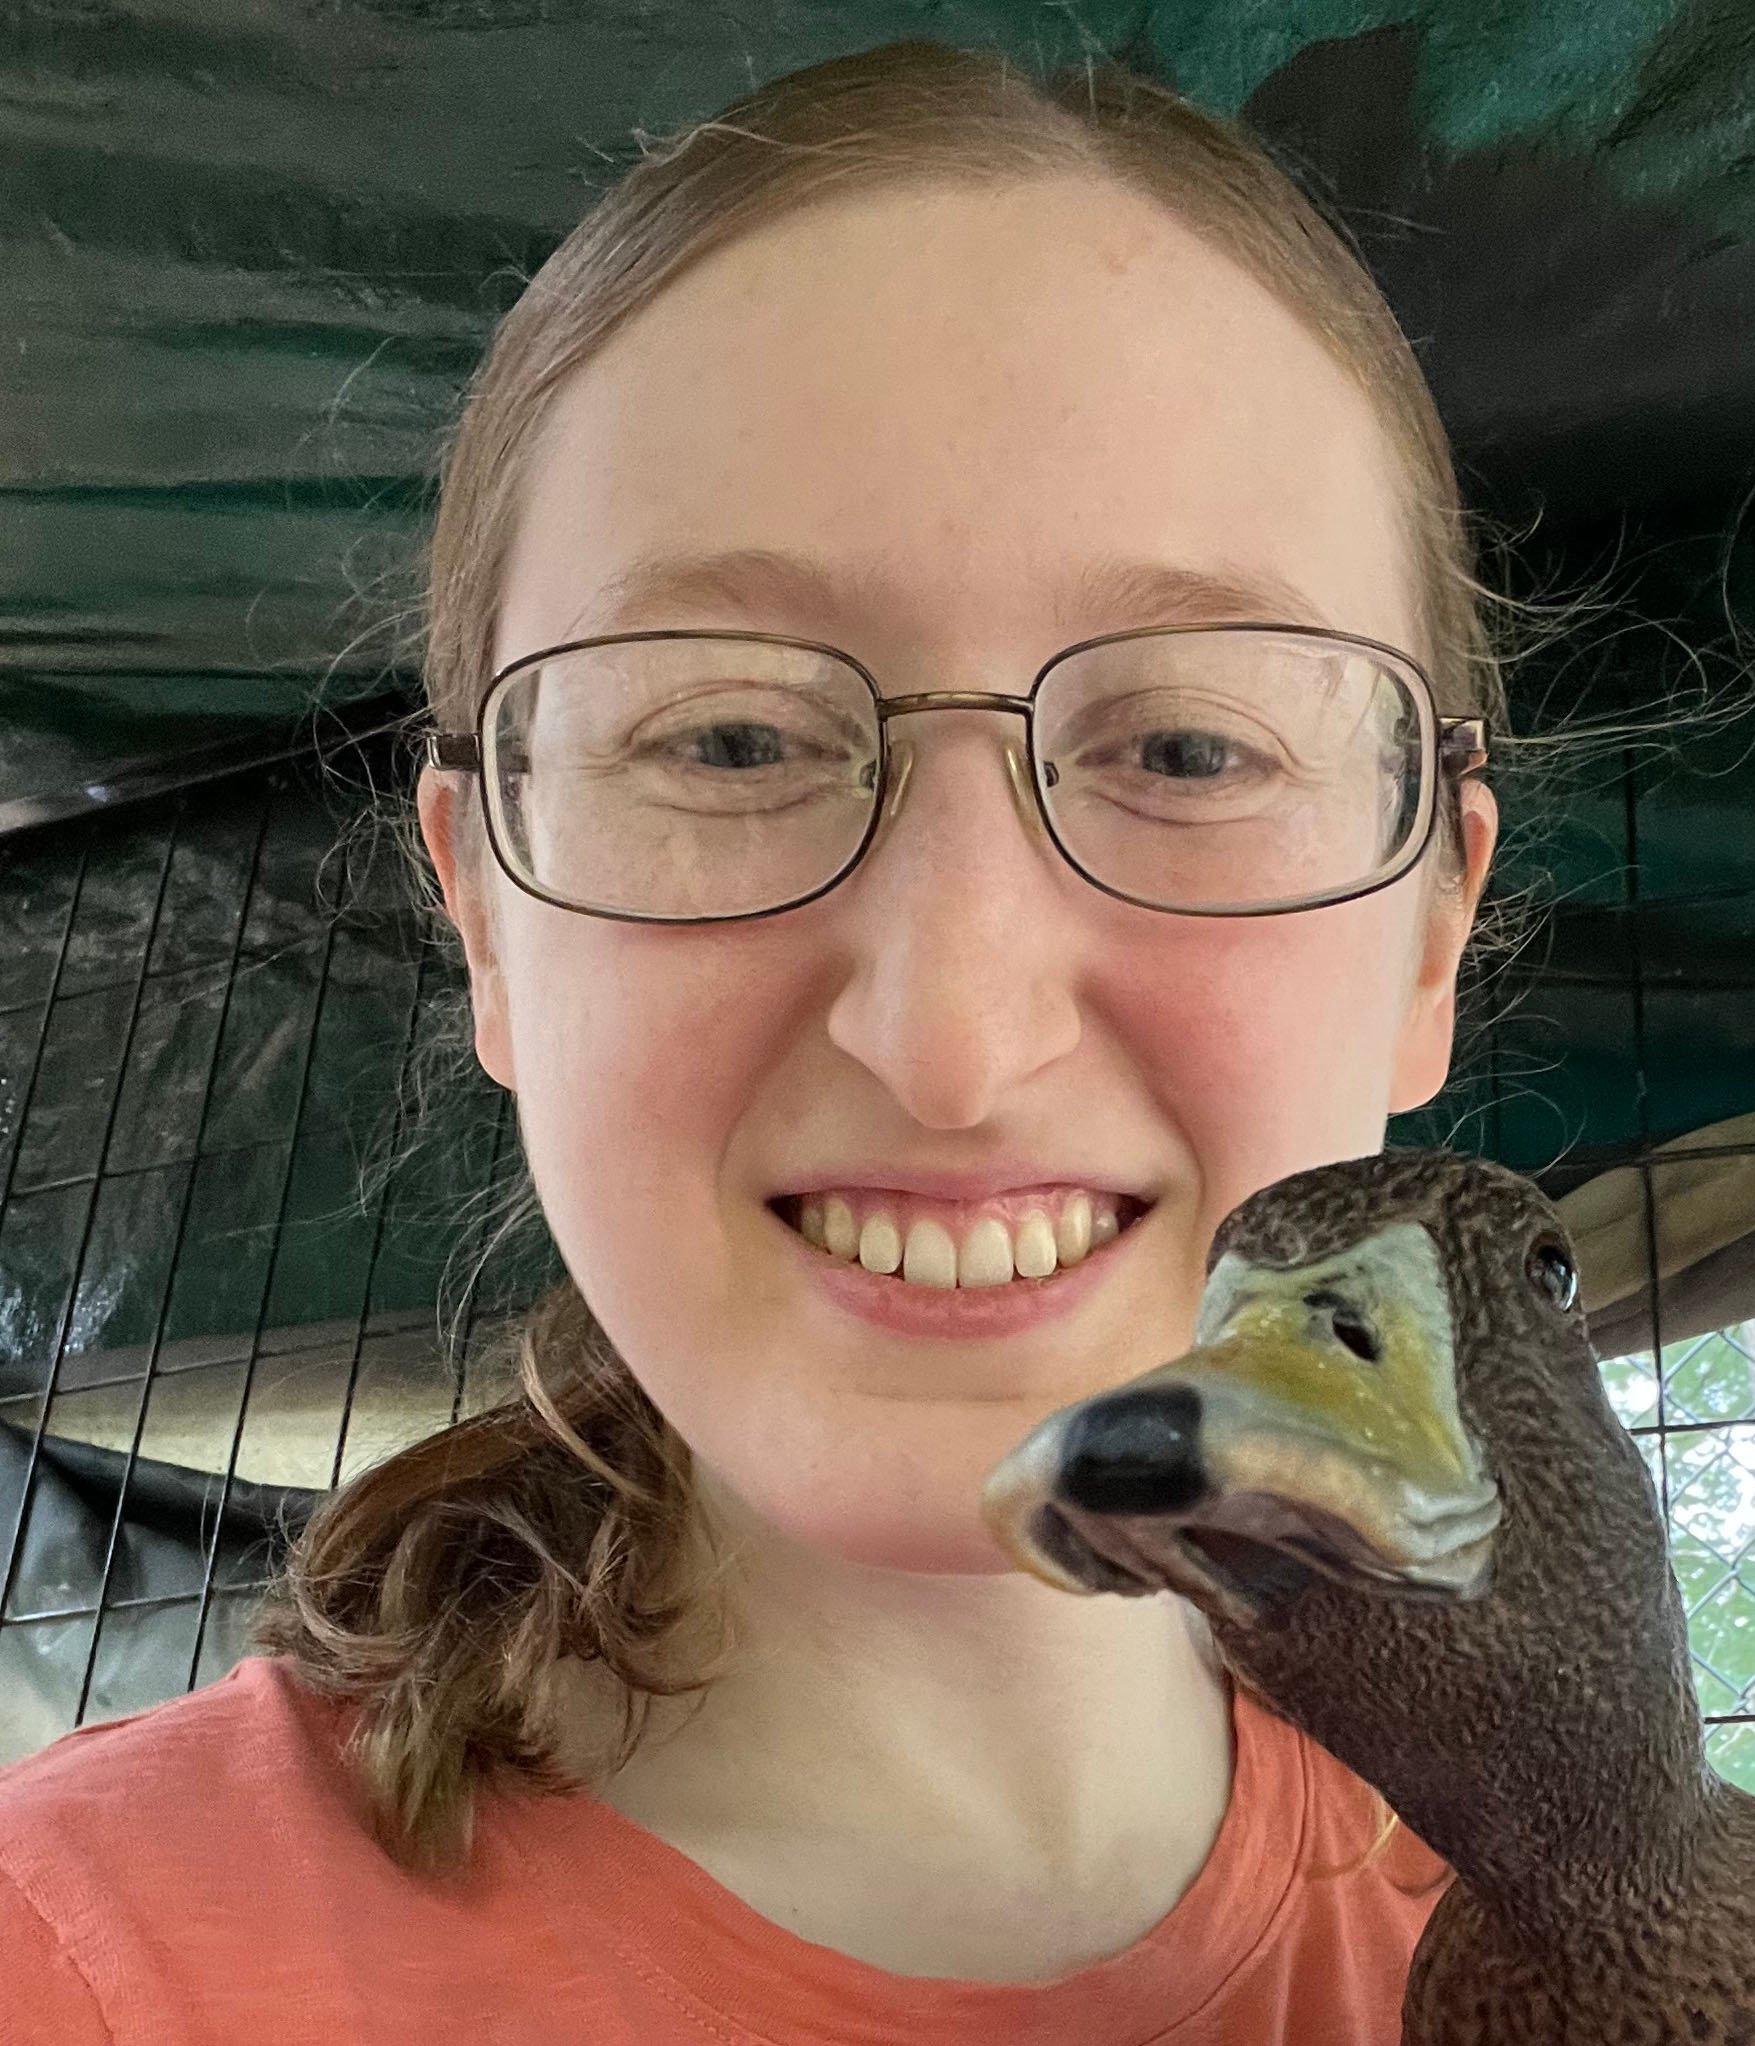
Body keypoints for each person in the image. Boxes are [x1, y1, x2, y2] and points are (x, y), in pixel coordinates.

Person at [0, 37, 1547, 2043]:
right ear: (481, 906)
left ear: (1435, 924)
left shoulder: (1665, 1984)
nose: (953, 1035)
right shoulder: (81, 1976)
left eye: (1186, 747)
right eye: (729, 741)